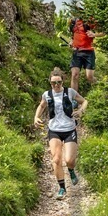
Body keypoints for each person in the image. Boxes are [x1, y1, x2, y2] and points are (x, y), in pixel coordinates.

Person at [33, 67, 87, 199]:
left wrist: (81, 111)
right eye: (53, 83)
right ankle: (62, 188)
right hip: (54, 130)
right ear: (50, 83)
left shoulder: (70, 92)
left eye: (59, 83)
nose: (56, 85)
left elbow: (84, 101)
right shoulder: (47, 95)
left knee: (69, 160)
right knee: (56, 159)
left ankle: (71, 170)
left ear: (63, 82)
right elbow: (41, 105)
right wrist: (36, 117)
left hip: (69, 130)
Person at [68, 10, 97, 92]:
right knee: (74, 75)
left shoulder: (90, 20)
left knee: (89, 77)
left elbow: (104, 32)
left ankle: (99, 86)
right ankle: (74, 99)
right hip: (77, 52)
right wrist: (71, 42)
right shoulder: (73, 22)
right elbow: (73, 36)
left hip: (89, 52)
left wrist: (94, 34)